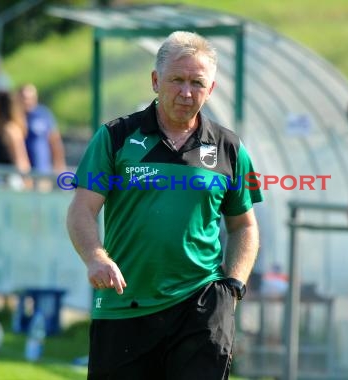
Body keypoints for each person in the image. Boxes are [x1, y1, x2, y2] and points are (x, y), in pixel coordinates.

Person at [66, 31, 262, 379]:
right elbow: (82, 210)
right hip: (125, 305)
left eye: (197, 83)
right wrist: (96, 257)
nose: (186, 92)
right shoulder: (115, 137)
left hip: (202, 306)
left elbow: (244, 225)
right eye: (176, 80)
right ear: (156, 81)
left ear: (211, 89)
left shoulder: (230, 148)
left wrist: (233, 286)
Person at [18, 83, 66, 190]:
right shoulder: (15, 117)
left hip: (42, 172)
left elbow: (55, 140)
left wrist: (59, 164)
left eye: (30, 98)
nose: (27, 101)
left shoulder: (43, 114)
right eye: (24, 98)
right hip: (22, 175)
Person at [0, 91, 31, 188]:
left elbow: (20, 159)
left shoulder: (10, 130)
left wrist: (27, 183)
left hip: (8, 183)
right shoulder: (0, 129)